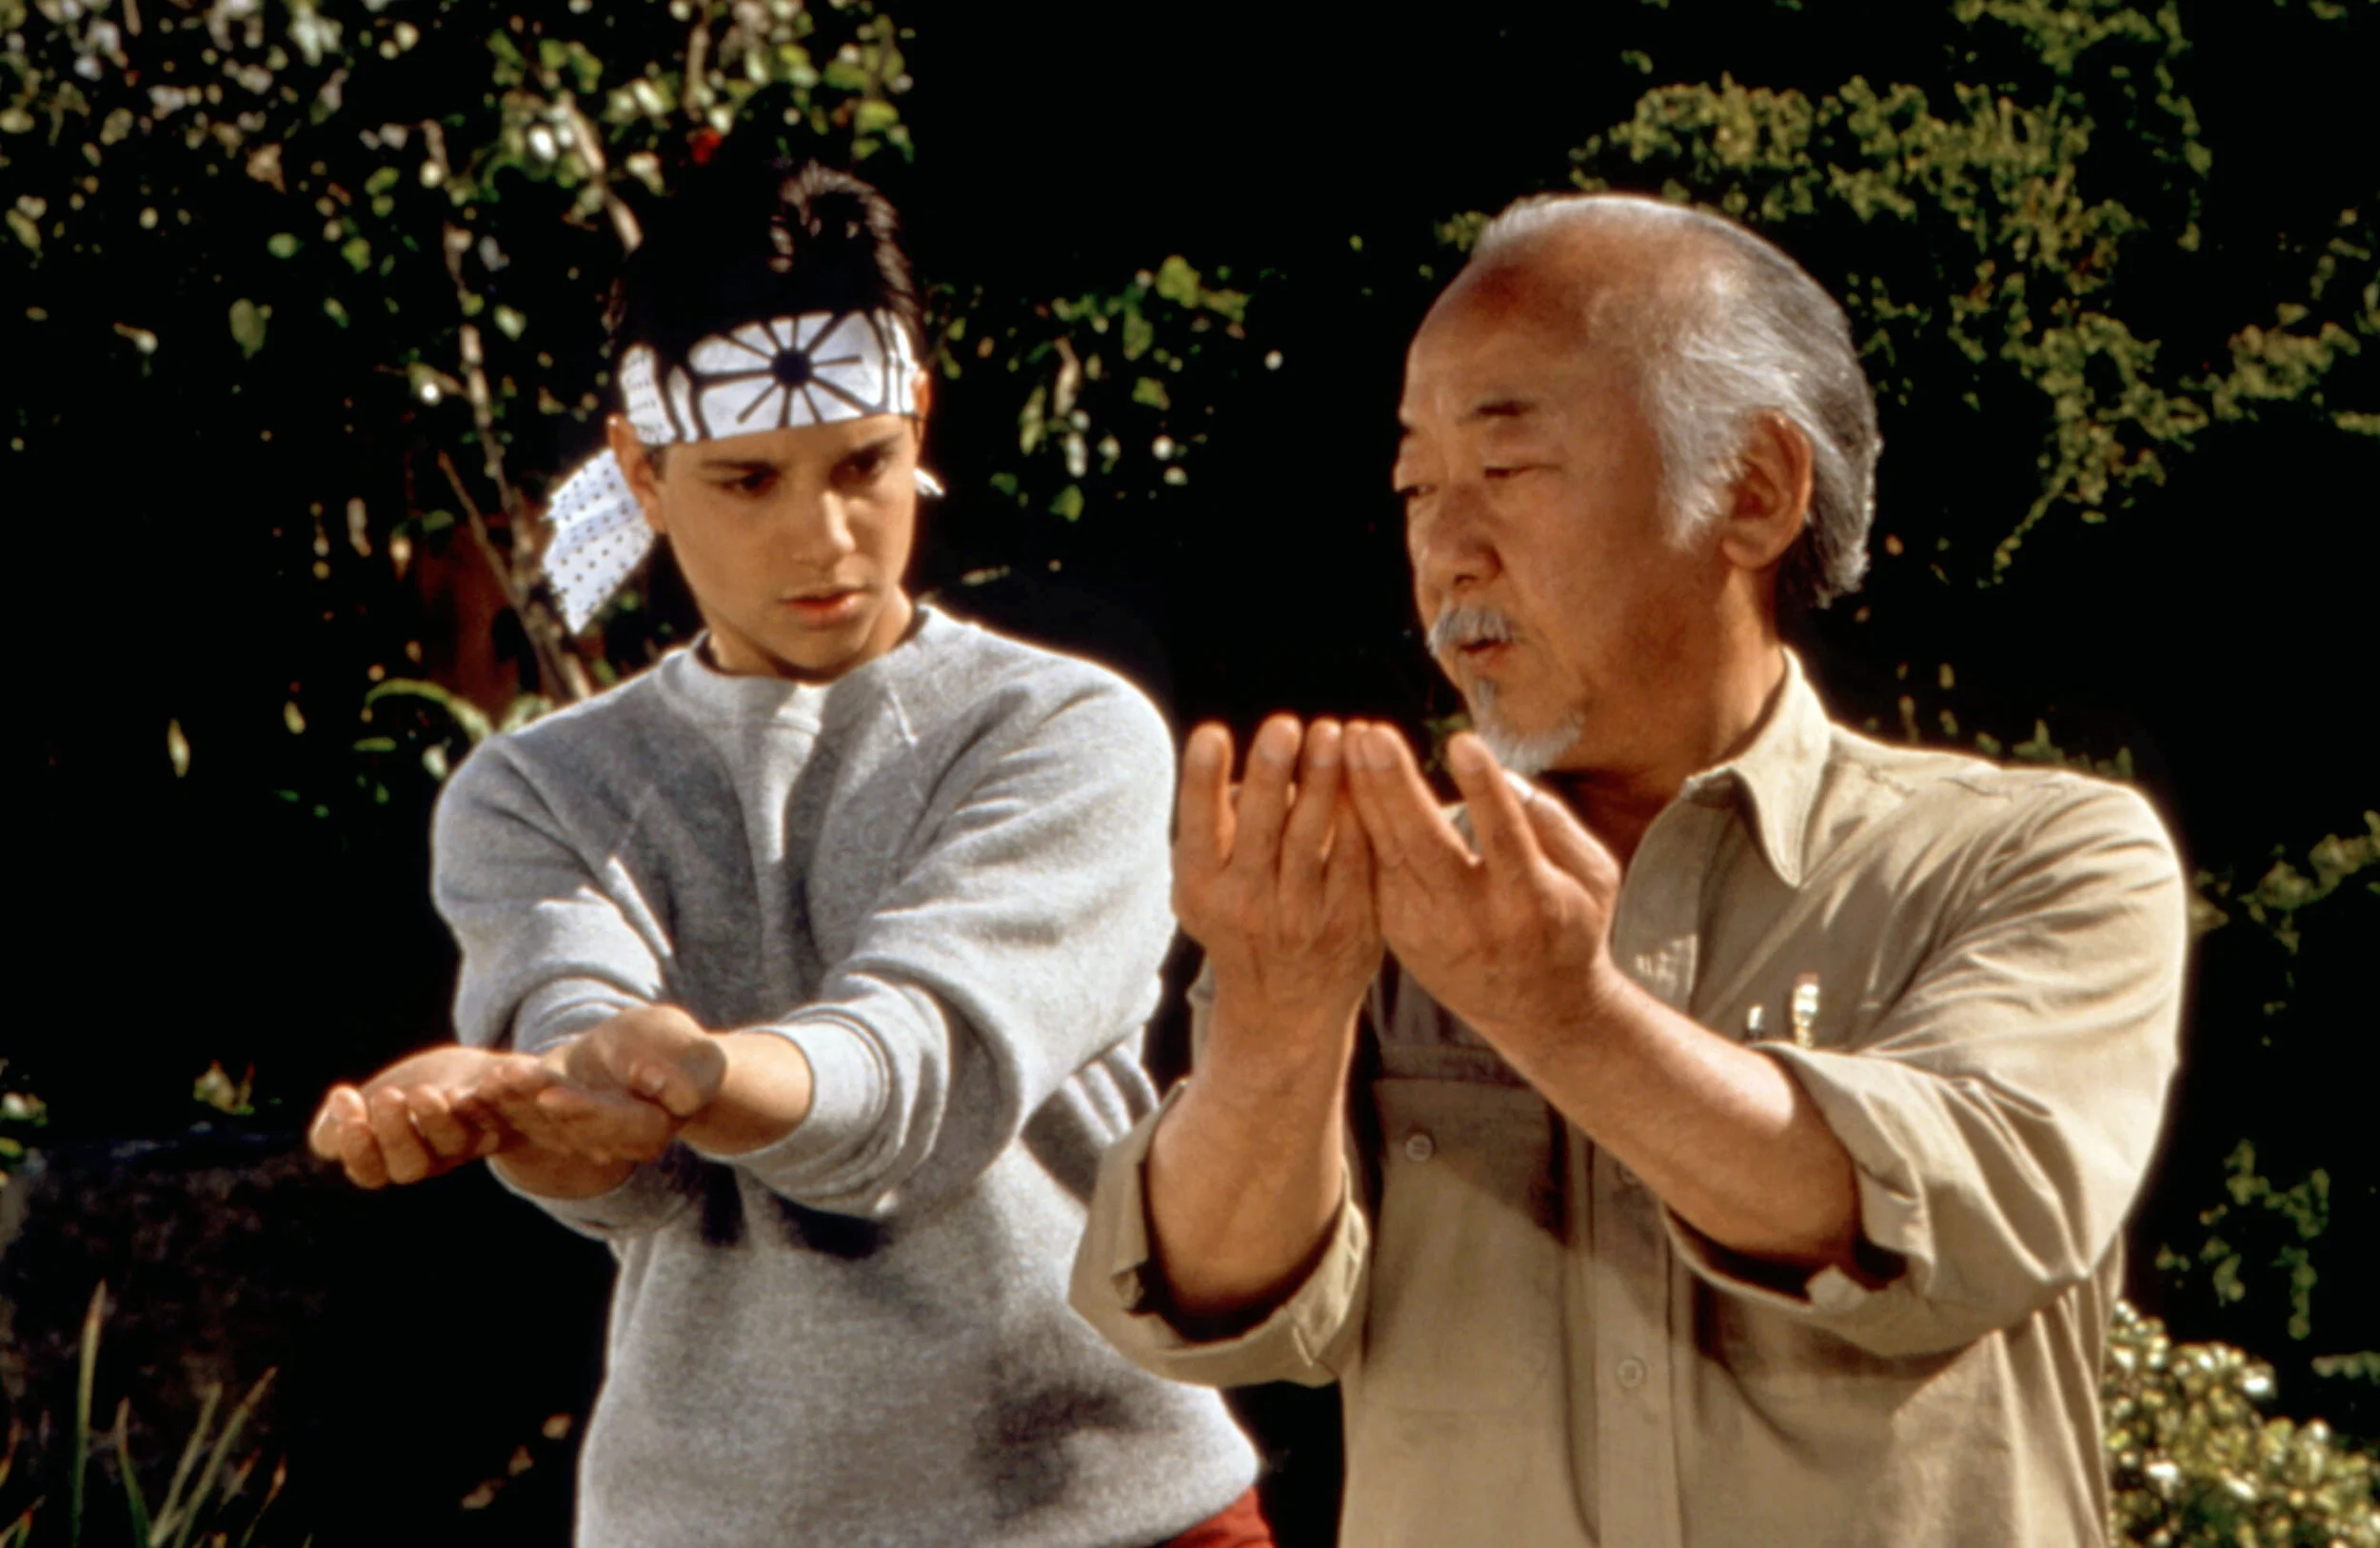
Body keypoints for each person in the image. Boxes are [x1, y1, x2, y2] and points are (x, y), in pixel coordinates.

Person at [1070, 191, 2187, 1548]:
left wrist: (1565, 1016)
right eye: (1417, 486)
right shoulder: (1383, 893)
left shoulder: (2039, 857)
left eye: (1508, 466)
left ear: (1754, 490)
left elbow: (1966, 1217)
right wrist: (1273, 1024)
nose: (1446, 549)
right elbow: (1218, 1307)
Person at [307, 156, 1269, 1548]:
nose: (823, 537)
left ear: (918, 416)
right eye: (748, 479)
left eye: (863, 465)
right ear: (640, 472)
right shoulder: (537, 791)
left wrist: (688, 1073)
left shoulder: (1067, 733)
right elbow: (615, 1135)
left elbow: (927, 1068)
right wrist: (545, 1103)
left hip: (1106, 1510)